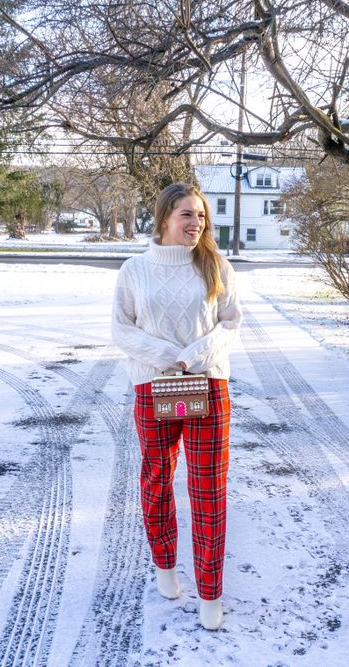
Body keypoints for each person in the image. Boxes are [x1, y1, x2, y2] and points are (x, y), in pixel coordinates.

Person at [111, 183, 242, 630]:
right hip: (153, 388)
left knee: (209, 490)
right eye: (187, 214)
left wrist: (194, 355)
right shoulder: (134, 269)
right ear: (165, 217)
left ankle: (210, 590)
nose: (196, 224)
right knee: (157, 479)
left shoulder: (214, 265)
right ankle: (165, 566)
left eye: (201, 216)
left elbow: (231, 322)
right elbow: (122, 329)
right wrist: (168, 356)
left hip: (208, 387)